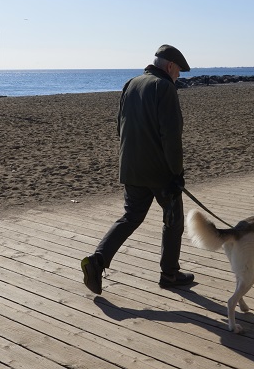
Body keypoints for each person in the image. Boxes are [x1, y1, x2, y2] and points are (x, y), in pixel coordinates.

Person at [81, 44, 195, 295]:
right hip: (161, 172)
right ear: (170, 66)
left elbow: (119, 127)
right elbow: (171, 136)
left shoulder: (131, 84)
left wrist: (129, 159)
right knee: (173, 220)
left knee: (130, 218)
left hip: (131, 168)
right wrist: (177, 173)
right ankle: (170, 274)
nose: (178, 77)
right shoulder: (164, 87)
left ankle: (97, 261)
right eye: (178, 72)